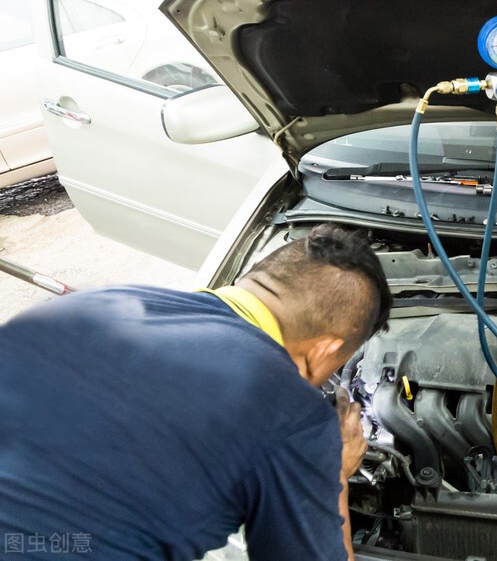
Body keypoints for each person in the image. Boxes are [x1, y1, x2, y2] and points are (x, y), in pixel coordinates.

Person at [0, 223, 392, 560]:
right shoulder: (289, 410)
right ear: (324, 348)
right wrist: (336, 472)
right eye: (336, 363)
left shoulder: (87, 304)